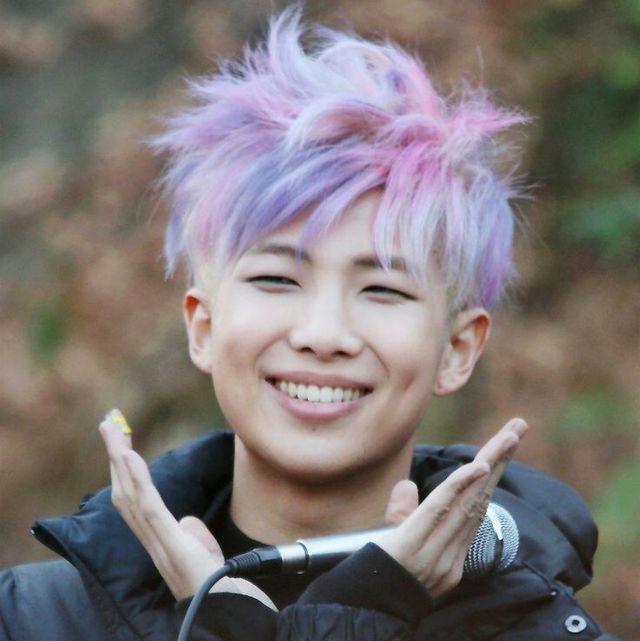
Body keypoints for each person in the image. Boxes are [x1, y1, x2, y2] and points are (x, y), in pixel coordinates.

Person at [0, 9, 617, 641]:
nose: (322, 335)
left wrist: (362, 610)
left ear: (457, 349)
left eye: (382, 289)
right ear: (203, 327)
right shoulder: (31, 620)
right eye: (277, 279)